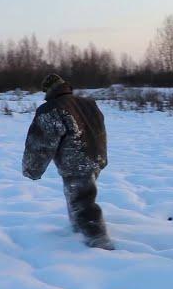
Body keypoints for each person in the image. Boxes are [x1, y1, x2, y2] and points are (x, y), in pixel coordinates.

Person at [22, 74, 114, 250]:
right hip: (96, 157)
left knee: (82, 200)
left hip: (75, 162)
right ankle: (78, 230)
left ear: (48, 90)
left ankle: (99, 242)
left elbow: (41, 143)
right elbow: (100, 129)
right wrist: (99, 156)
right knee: (77, 195)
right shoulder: (89, 104)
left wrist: (32, 169)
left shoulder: (51, 109)